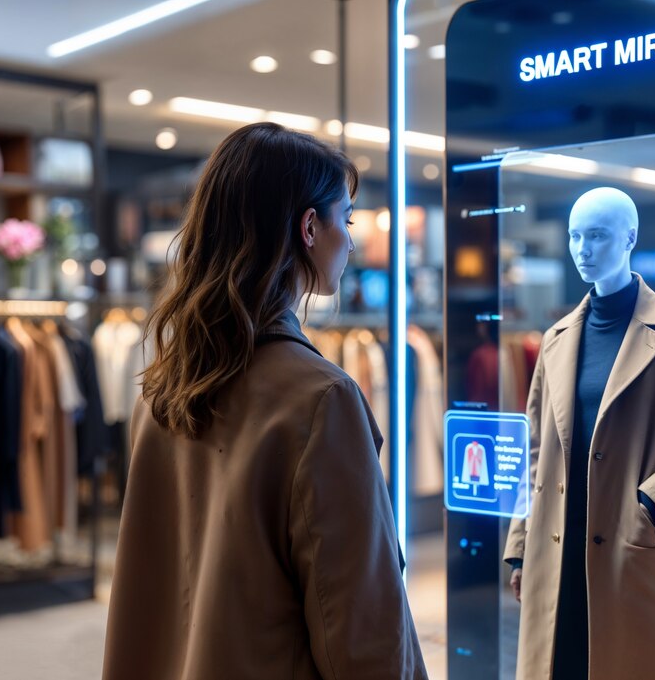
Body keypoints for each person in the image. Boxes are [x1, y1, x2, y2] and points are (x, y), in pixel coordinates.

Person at [102, 123, 428, 680]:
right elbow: (360, 629)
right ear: (309, 227)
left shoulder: (162, 391)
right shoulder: (321, 399)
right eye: (345, 219)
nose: (350, 239)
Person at [503, 187, 655, 680]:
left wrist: (652, 508)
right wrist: (523, 545)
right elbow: (536, 449)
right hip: (558, 555)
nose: (583, 249)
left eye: (598, 235)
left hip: (634, 558)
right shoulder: (556, 338)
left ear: (630, 238)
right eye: (574, 236)